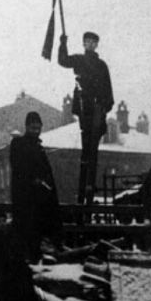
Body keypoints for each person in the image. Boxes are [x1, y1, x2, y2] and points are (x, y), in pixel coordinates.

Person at [58, 31, 114, 203]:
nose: (90, 44)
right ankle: (84, 188)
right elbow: (63, 60)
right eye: (87, 42)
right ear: (83, 44)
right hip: (84, 108)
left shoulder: (101, 66)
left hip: (96, 109)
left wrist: (104, 108)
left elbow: (108, 90)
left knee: (92, 148)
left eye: (93, 42)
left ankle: (88, 186)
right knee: (86, 146)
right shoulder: (79, 60)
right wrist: (63, 43)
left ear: (96, 45)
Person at [9, 111, 61, 262]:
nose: (36, 131)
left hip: (40, 200)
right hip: (26, 199)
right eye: (33, 128)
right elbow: (18, 167)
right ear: (26, 127)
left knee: (38, 233)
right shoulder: (18, 144)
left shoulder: (38, 147)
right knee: (28, 234)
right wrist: (34, 180)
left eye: (38, 128)